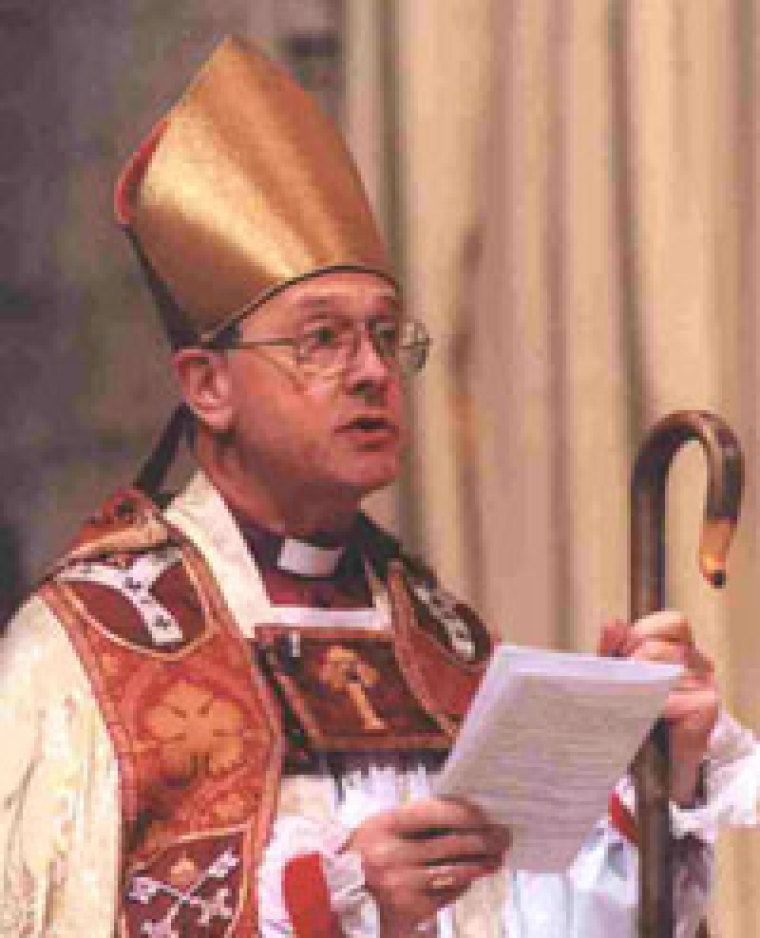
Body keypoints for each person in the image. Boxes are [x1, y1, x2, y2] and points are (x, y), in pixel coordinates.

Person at [1, 35, 758, 938]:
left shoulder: (435, 636)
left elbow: (525, 919)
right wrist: (322, 906)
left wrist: (655, 777)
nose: (371, 371)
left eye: (386, 335)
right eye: (321, 339)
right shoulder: (90, 651)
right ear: (207, 386)